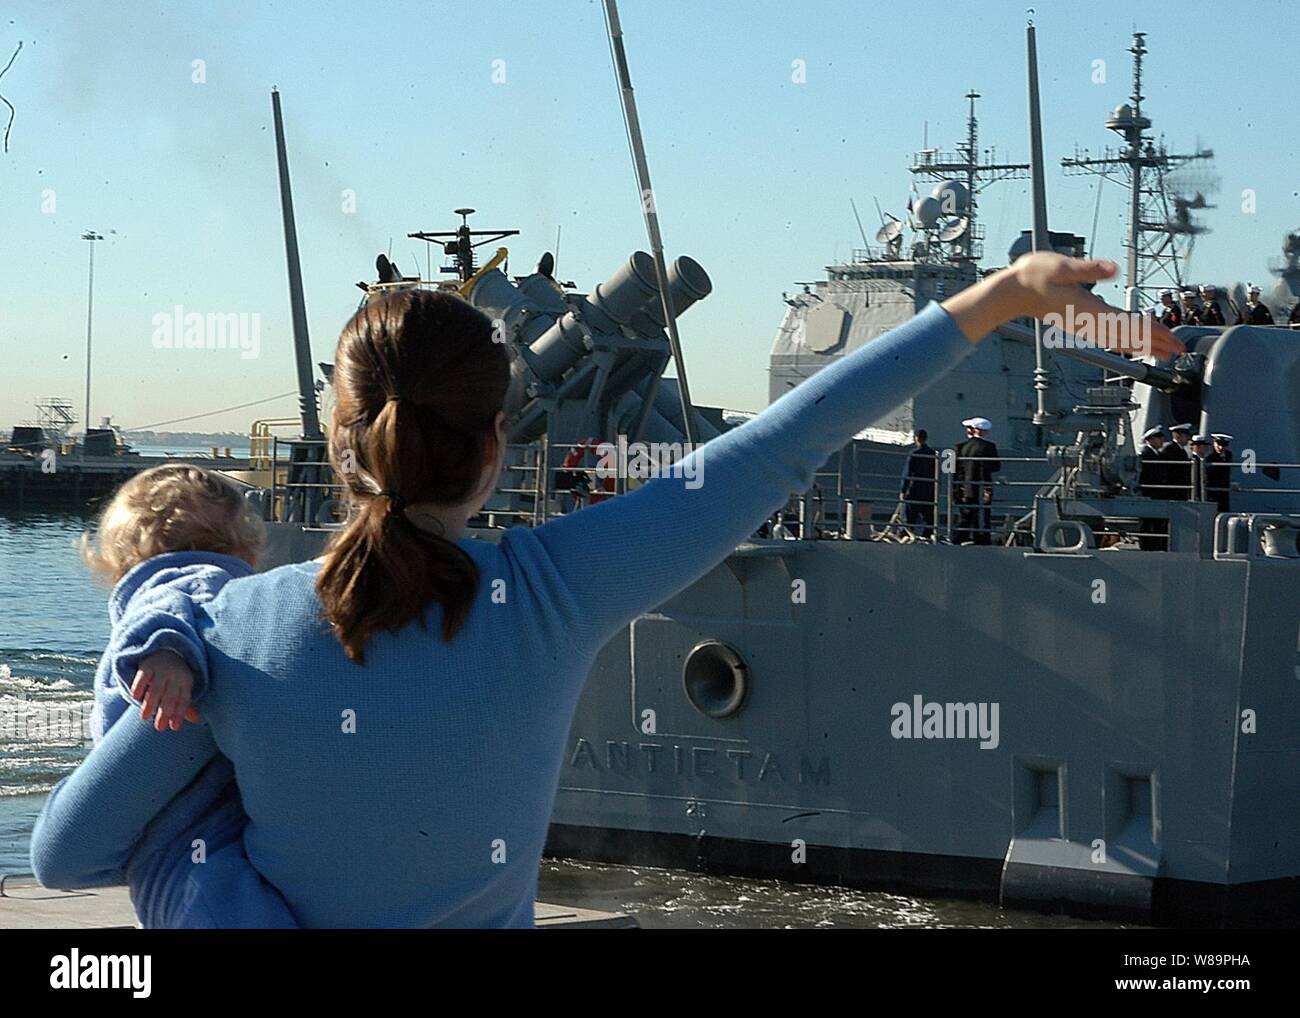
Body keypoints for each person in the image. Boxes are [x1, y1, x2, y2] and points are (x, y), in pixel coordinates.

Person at [29, 253, 1182, 927]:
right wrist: (995, 296)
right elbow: (784, 444)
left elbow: (67, 852)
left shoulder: (224, 625)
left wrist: (211, 860)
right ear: (494, 443)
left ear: (340, 445)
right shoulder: (552, 591)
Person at [77, 464, 297, 928]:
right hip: (195, 800)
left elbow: (171, 606)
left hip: (161, 808)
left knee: (191, 902)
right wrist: (168, 652)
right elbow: (178, 605)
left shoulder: (159, 586)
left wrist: (167, 652)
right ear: (245, 548)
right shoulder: (214, 580)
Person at [954, 417, 1000, 545]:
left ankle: (959, 537)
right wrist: (987, 489)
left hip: (966, 487)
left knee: (967, 514)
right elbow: (994, 467)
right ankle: (982, 538)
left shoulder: (962, 446)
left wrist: (959, 488)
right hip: (981, 487)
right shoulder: (989, 447)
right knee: (982, 514)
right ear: (985, 431)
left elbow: (958, 469)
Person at [900, 428, 937, 539]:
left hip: (915, 488)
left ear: (916, 438)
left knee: (910, 514)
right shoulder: (933, 454)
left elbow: (907, 474)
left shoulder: (913, 453)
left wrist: (903, 490)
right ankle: (928, 535)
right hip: (929, 489)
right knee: (928, 515)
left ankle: (905, 534)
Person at [1137, 426, 1169, 549]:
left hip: (1157, 492)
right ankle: (1146, 545)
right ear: (1150, 440)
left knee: (1156, 521)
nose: (1161, 441)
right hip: (1149, 492)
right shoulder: (1146, 454)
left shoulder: (1157, 454)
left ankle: (1155, 544)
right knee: (1146, 521)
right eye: (1158, 438)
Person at [1160, 423, 1193, 501]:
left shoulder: (1182, 450)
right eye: (1186, 436)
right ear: (1178, 436)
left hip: (1180, 487)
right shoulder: (1169, 449)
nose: (1188, 438)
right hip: (1172, 487)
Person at [1206, 433, 1235, 512]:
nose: (1221, 447)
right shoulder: (1209, 457)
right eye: (1218, 444)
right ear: (1214, 443)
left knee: (1224, 508)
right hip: (1213, 489)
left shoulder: (1228, 455)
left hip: (1224, 488)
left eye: (1224, 445)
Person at [1189, 434, 1212, 501]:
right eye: (1203, 445)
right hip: (1196, 491)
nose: (1205, 448)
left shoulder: (1201, 459)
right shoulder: (1193, 460)